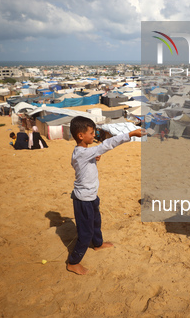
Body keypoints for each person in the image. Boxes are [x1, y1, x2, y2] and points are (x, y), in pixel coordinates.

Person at [66, 116, 143, 275]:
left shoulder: (83, 152)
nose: (94, 135)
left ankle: (98, 244)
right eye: (91, 133)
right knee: (85, 233)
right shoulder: (82, 153)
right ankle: (73, 262)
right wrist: (131, 134)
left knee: (96, 223)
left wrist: (93, 159)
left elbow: (84, 165)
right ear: (81, 135)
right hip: (83, 200)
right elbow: (108, 144)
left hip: (92, 197)